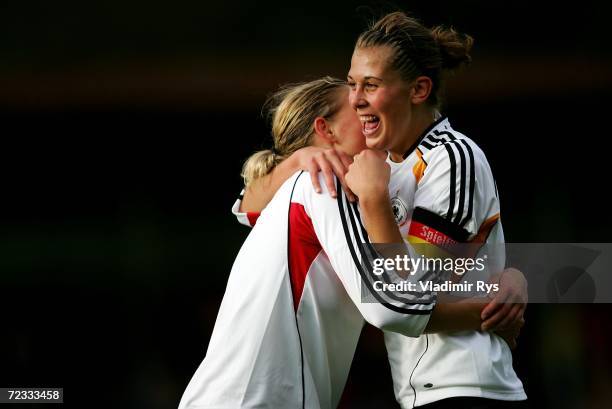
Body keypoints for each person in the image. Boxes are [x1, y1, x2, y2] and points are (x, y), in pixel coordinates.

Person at [236, 11, 528, 409]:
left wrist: (375, 203)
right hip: (416, 392)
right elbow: (246, 208)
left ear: (419, 89)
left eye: (370, 85)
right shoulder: (375, 166)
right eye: (353, 84)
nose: (356, 98)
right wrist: (297, 160)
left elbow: (414, 288)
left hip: (468, 386)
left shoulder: (453, 159)